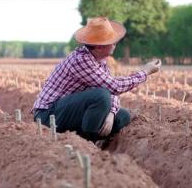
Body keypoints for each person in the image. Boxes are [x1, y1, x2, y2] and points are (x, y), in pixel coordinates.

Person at [32, 17, 161, 145]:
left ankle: (88, 137)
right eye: (112, 41)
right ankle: (88, 143)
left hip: (68, 111)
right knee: (101, 95)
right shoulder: (81, 60)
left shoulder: (100, 60)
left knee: (122, 116)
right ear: (99, 47)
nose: (115, 44)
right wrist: (145, 72)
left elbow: (112, 90)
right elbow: (114, 87)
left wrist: (111, 113)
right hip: (48, 115)